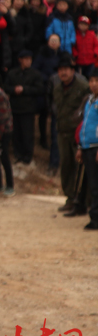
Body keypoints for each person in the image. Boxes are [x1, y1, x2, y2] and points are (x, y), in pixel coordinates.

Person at [53, 54, 89, 213]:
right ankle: (69, 197)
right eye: (61, 70)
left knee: (82, 167)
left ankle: (84, 200)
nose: (63, 73)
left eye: (66, 69)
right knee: (66, 166)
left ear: (73, 71)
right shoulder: (57, 88)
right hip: (62, 132)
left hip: (78, 133)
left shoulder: (83, 86)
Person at [4, 49, 45, 165]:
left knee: (27, 133)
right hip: (15, 108)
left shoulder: (35, 74)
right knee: (16, 133)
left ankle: (27, 156)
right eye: (26, 59)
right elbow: (6, 87)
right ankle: (18, 154)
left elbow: (40, 89)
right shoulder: (12, 73)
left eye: (30, 59)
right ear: (20, 60)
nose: (28, 61)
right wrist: (14, 90)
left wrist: (24, 89)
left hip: (28, 108)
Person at [74, 73, 98, 230]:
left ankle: (95, 218)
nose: (94, 84)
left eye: (97, 81)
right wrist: (80, 147)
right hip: (87, 146)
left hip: (96, 147)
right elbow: (84, 124)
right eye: (91, 81)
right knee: (92, 184)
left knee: (96, 185)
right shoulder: (89, 100)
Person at [34, 33, 62, 151]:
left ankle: (55, 140)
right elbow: (36, 69)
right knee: (43, 114)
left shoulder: (62, 55)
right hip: (44, 87)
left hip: (58, 88)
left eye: (56, 41)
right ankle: (43, 138)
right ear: (48, 42)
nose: (54, 43)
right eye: (52, 40)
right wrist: (47, 78)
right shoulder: (42, 54)